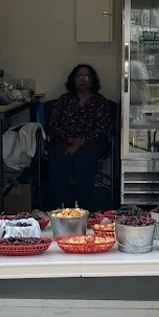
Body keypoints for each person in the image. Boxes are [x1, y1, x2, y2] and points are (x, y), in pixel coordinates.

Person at [47, 64, 111, 211]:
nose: (83, 79)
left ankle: (85, 210)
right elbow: (54, 123)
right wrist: (69, 139)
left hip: (92, 141)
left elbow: (102, 127)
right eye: (79, 76)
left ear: (93, 80)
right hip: (65, 140)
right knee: (59, 156)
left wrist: (81, 142)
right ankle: (61, 209)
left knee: (85, 158)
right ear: (73, 80)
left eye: (87, 76)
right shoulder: (64, 100)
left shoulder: (99, 101)